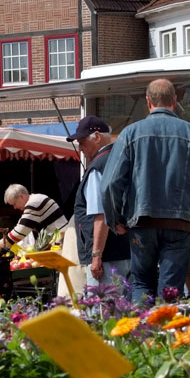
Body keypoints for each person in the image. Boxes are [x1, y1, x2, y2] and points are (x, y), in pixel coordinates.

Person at [103, 78, 190, 302]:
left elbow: (110, 183)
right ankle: (166, 333)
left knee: (141, 283)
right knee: (170, 291)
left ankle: (140, 335)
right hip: (180, 224)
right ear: (175, 101)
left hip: (142, 223)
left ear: (148, 102)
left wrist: (115, 220)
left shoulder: (129, 134)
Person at [66, 116, 130, 285]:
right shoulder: (124, 159)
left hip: (107, 257)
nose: (80, 148)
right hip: (127, 250)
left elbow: (101, 215)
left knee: (102, 309)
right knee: (125, 308)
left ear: (97, 137)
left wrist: (96, 256)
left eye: (82, 142)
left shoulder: (98, 166)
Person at [0, 185, 67, 258]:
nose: (15, 208)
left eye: (14, 204)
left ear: (21, 196)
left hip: (64, 243)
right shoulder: (37, 198)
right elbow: (21, 225)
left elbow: (19, 231)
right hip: (62, 241)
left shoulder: (33, 204)